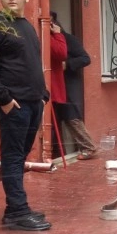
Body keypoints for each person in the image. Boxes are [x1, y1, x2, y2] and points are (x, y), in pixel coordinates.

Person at [0, 0, 51, 231]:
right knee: (13, 157)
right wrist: (4, 100)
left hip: (33, 102)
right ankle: (18, 212)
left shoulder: (26, 26)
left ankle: (13, 210)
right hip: (14, 104)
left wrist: (42, 92)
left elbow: (29, 63)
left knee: (20, 156)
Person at [50, 12, 97, 160]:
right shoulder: (47, 41)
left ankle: (89, 148)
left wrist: (67, 64)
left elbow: (85, 58)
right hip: (55, 84)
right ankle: (58, 153)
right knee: (54, 120)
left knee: (72, 117)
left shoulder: (69, 39)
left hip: (69, 84)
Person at [48, 17, 68, 159]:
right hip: (50, 89)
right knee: (52, 126)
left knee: (55, 125)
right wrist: (58, 34)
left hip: (53, 89)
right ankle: (54, 155)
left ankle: (57, 155)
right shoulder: (48, 37)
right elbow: (61, 53)